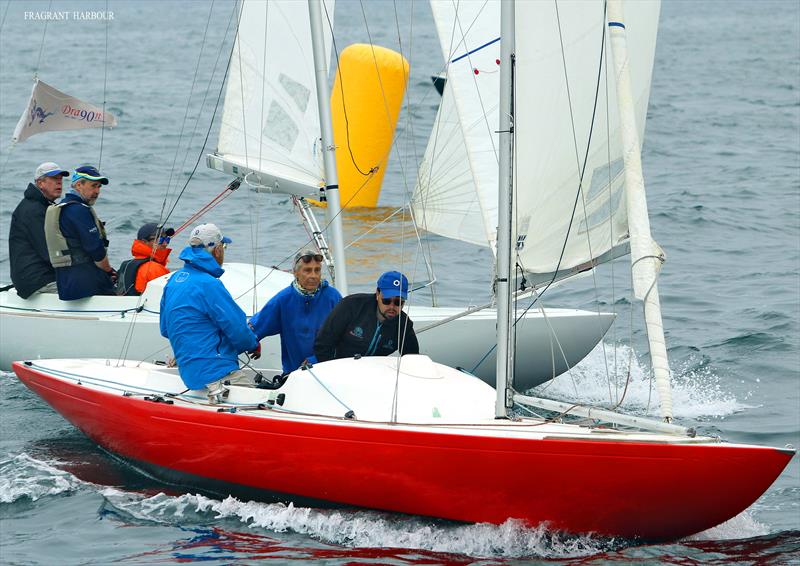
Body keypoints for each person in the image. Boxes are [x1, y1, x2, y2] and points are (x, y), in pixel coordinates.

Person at [159, 223, 260, 403]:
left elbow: (166, 329)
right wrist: (253, 344)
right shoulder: (209, 284)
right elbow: (238, 330)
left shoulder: (174, 280)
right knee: (260, 403)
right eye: (224, 247)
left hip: (190, 372)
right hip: (217, 371)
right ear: (217, 250)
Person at [250, 249, 342, 374]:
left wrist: (317, 359)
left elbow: (344, 336)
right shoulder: (283, 300)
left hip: (329, 371)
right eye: (307, 270)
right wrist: (253, 342)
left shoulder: (333, 297)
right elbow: (254, 327)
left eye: (317, 270)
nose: (314, 275)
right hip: (295, 375)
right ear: (296, 273)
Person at [44, 164, 116, 300]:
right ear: (78, 185)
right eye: (93, 186)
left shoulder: (65, 207)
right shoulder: (78, 210)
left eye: (99, 187)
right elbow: (96, 250)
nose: (97, 191)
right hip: (85, 284)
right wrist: (109, 271)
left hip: (67, 282)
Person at [314, 271, 419, 362]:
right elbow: (323, 343)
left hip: (374, 374)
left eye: (398, 302)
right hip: (339, 367)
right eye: (386, 300)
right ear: (378, 294)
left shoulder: (404, 324)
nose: (392, 307)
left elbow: (412, 358)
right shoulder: (351, 305)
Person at [8, 162, 69, 298]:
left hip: (38, 276)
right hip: (37, 281)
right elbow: (49, 252)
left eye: (60, 179)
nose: (59, 183)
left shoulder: (42, 206)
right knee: (89, 287)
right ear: (40, 183)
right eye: (54, 179)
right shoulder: (34, 211)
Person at [116, 222, 174, 296]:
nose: (165, 243)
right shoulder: (155, 269)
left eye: (167, 239)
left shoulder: (127, 264)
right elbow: (169, 297)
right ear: (144, 242)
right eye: (160, 240)